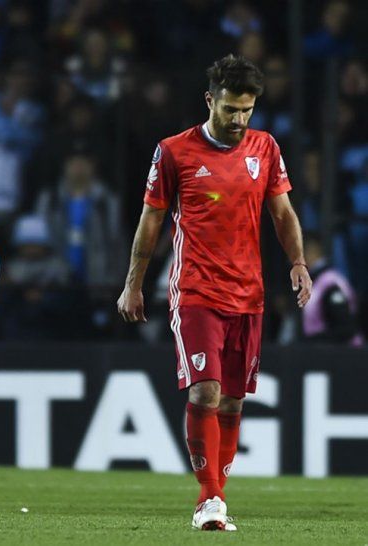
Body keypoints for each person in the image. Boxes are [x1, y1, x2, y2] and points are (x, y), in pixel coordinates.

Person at [116, 55, 312, 531]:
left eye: (247, 111)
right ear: (210, 101)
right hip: (196, 290)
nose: (239, 120)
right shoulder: (174, 151)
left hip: (250, 294)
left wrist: (299, 263)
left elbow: (283, 214)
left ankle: (217, 498)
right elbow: (151, 219)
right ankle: (209, 499)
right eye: (230, 110)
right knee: (206, 391)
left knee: (233, 401)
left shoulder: (264, 148)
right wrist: (133, 283)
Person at [301, 236, 362, 345]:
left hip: (344, 355)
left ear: (312, 253)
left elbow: (345, 328)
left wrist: (314, 341)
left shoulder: (329, 282)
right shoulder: (315, 281)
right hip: (321, 353)